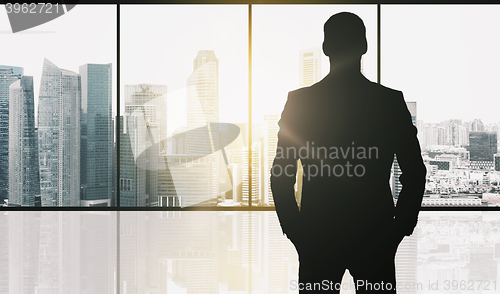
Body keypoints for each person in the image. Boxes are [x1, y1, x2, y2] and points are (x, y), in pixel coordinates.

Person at [271, 12, 427, 293]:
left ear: (326, 48)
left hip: (317, 235)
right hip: (374, 236)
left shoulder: (300, 102)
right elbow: (415, 173)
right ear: (364, 46)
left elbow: (281, 174)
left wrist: (296, 230)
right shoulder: (389, 103)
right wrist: (397, 230)